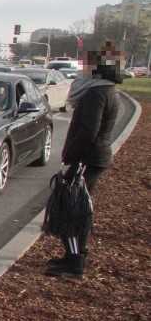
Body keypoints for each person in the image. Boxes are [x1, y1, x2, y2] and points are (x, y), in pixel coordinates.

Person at [46, 41, 124, 279]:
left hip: (88, 159)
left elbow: (90, 129)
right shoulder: (106, 90)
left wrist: (71, 155)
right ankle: (73, 256)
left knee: (72, 209)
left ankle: (75, 263)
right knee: (77, 208)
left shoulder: (97, 93)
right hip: (92, 158)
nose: (83, 69)